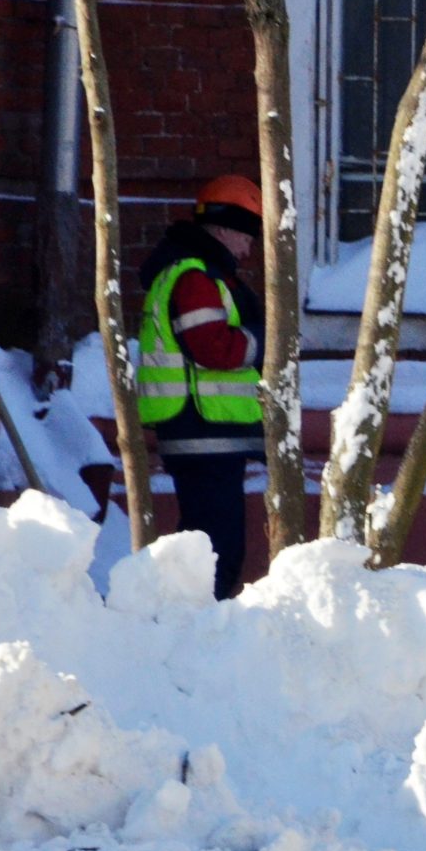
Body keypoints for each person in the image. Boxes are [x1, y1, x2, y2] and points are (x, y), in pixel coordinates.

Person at [137, 176, 265, 599]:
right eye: (247, 236)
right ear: (226, 230)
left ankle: (189, 625)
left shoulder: (194, 272)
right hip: (203, 430)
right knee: (216, 548)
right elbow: (213, 347)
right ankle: (198, 628)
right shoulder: (196, 277)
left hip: (203, 432)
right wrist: (265, 344)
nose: (249, 249)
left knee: (205, 542)